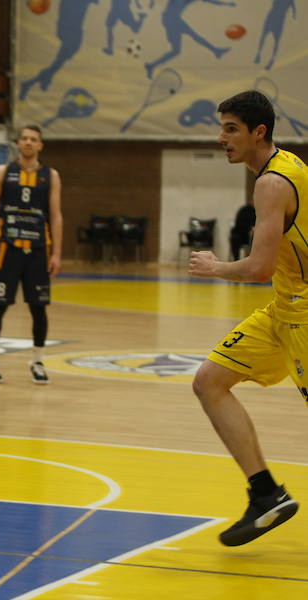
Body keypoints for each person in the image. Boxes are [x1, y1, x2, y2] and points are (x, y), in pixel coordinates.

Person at [190, 89, 305, 547]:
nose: (222, 138)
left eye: (231, 129)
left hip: (304, 314)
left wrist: (216, 267)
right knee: (209, 381)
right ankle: (265, 494)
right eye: (222, 128)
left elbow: (258, 269)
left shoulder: (272, 183)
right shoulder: (287, 166)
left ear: (260, 132)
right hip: (285, 307)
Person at [0, 124, 63, 384]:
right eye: (24, 138)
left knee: (39, 307)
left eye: (33, 139)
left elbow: (56, 215)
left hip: (37, 249)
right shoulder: (4, 172)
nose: (28, 142)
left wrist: (57, 252)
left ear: (40, 145)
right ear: (18, 143)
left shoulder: (51, 175)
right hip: (7, 248)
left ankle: (37, 360)